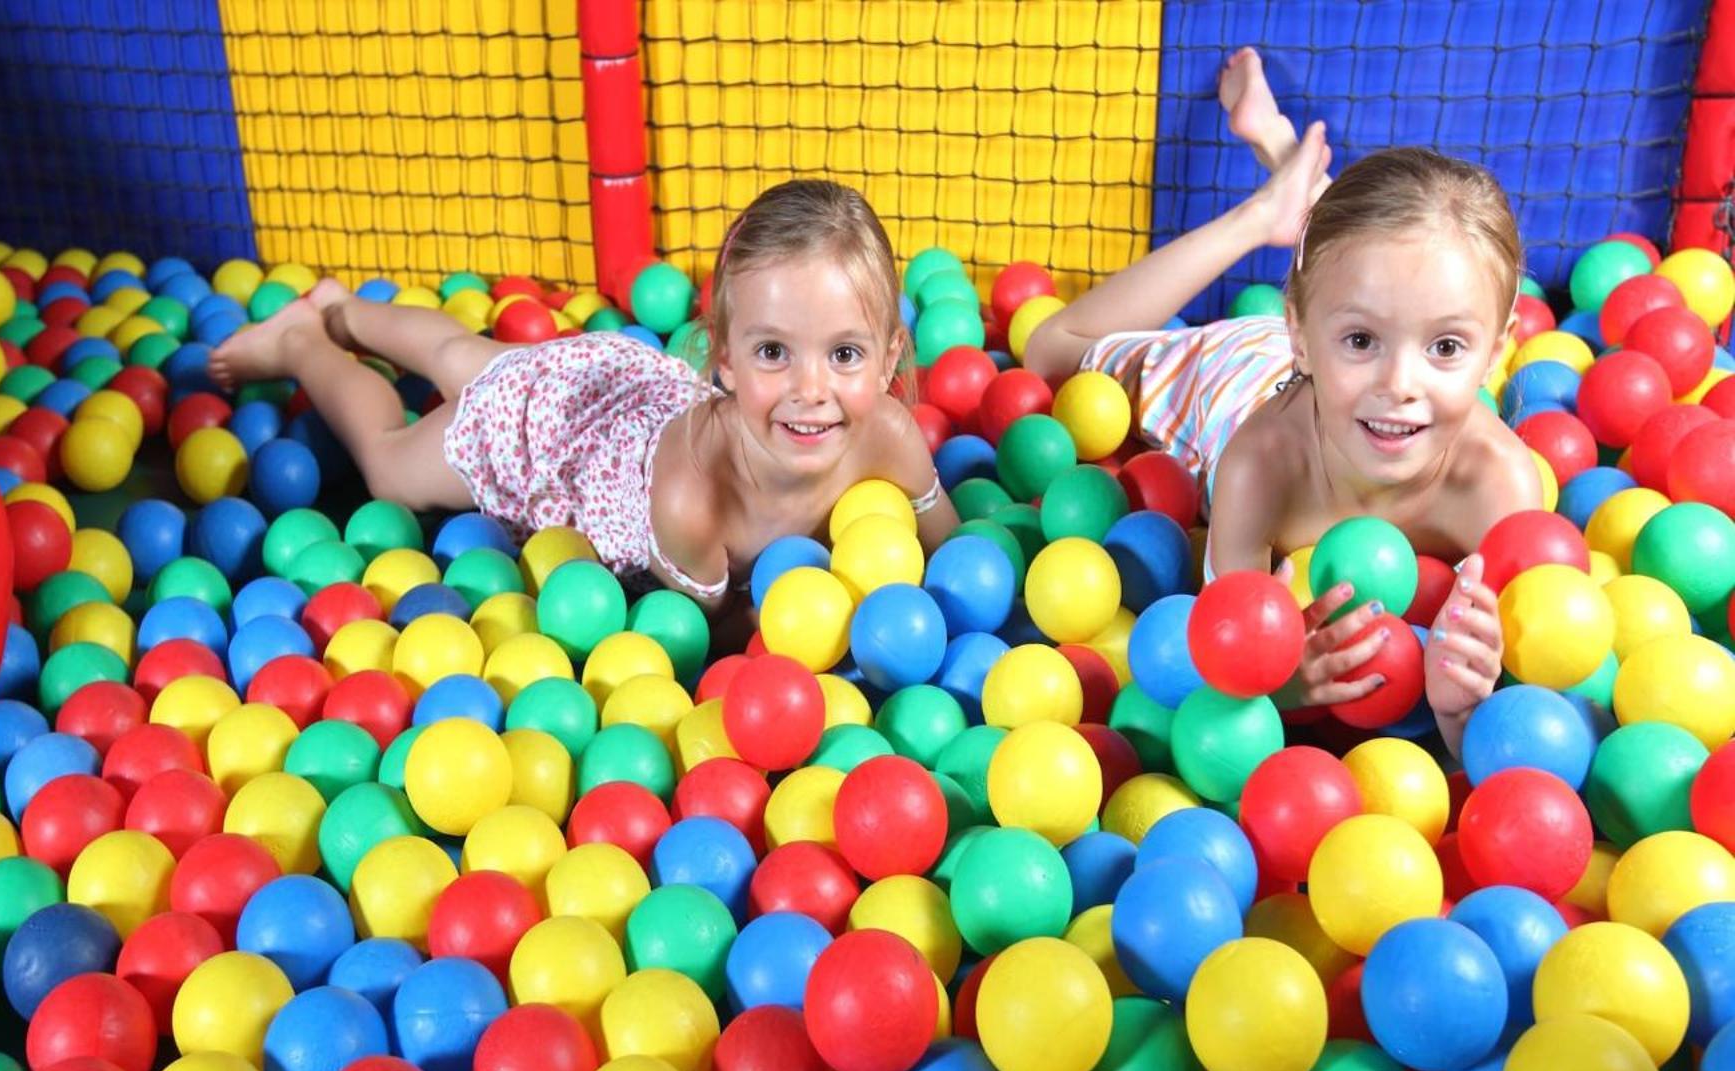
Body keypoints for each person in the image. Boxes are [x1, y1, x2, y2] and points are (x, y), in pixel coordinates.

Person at [1024, 47, 1542, 753]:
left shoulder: (1502, 487)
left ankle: (1285, 159)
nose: (1401, 383)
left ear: (1498, 351)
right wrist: (1283, 683)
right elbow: (1230, 650)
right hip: (1241, 379)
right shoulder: (1258, 462)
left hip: (1326, 360)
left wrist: (1457, 710)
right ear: (1300, 333)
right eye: (1364, 341)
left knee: (1378, 267)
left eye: (1446, 348)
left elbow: (1508, 727)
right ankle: (1266, 211)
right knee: (1051, 351)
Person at [209, 179, 954, 631]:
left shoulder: (888, 434)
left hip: (622, 389)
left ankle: (346, 311)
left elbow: (948, 549)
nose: (810, 390)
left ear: (890, 356)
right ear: (723, 358)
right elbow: (711, 640)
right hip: (558, 440)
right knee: (390, 463)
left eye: (845, 354)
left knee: (466, 358)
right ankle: (308, 338)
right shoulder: (693, 501)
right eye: (772, 353)